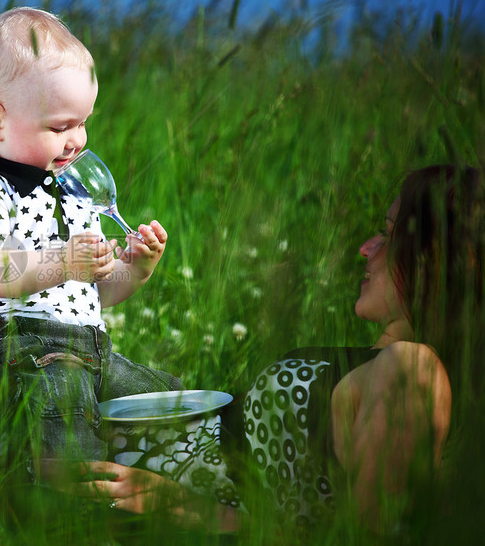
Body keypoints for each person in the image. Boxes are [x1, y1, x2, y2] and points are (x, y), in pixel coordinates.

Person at [48, 165, 484, 535]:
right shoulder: (383, 364)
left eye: (389, 236)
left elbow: (360, 538)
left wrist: (177, 504)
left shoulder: (415, 373)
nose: (366, 248)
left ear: (436, 261)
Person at [0, 7, 181, 463]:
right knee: (61, 400)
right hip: (14, 346)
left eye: (83, 122)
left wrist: (135, 268)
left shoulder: (71, 190)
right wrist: (63, 262)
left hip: (88, 348)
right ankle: (64, 500)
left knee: (163, 400)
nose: (78, 140)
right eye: (60, 126)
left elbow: (95, 296)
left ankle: (164, 484)